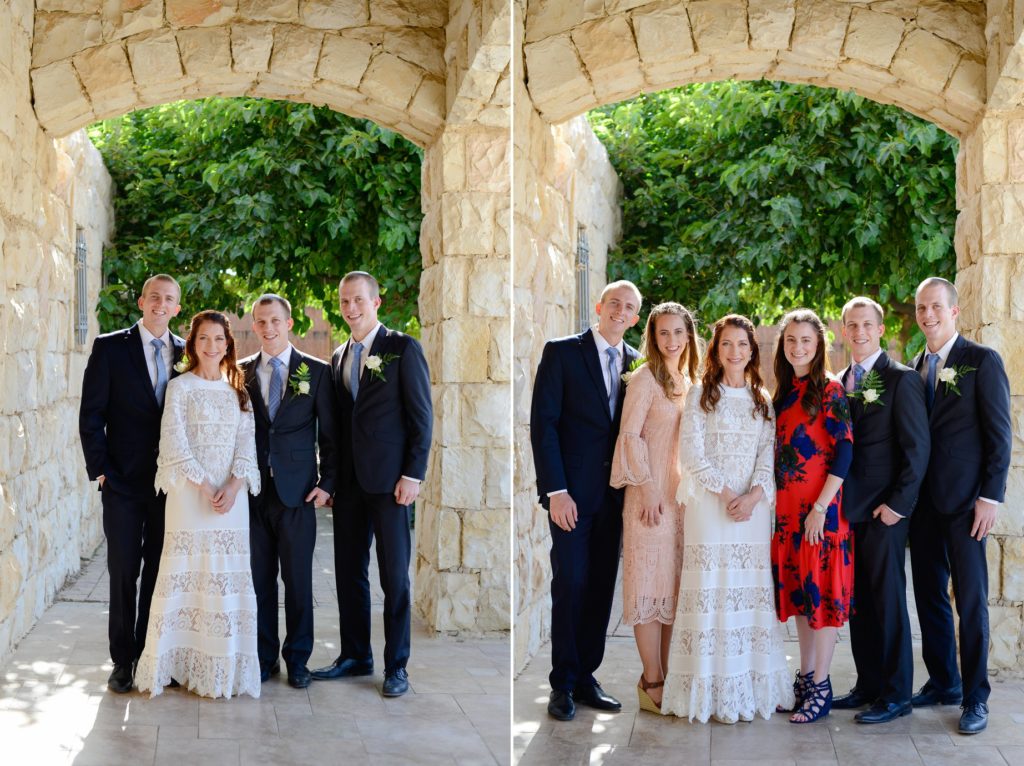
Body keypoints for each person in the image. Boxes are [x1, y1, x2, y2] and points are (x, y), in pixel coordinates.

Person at [661, 314, 792, 723]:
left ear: (752, 351)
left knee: (747, 589)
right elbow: (692, 456)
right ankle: (705, 690)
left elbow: (766, 458)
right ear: (716, 351)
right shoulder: (701, 394)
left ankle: (748, 686)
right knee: (711, 586)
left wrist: (753, 497)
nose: (734, 352)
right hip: (710, 506)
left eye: (742, 344)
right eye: (726, 345)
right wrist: (728, 494)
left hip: (751, 512)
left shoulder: (761, 399)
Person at [312, 272, 432, 698]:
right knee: (349, 573)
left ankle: (396, 666)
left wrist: (412, 475)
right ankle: (355, 655)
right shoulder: (339, 355)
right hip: (348, 486)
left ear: (376, 302)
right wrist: (329, 481)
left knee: (394, 578)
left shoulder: (402, 348)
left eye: (358, 300)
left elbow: (421, 417)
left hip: (390, 483)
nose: (351, 308)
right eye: (345, 301)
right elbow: (338, 426)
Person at [530, 280, 642, 722]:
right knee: (571, 583)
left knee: (599, 588)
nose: (619, 311)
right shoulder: (562, 352)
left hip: (616, 500)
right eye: (614, 303)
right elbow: (544, 425)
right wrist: (556, 491)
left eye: (629, 308)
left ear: (635, 318)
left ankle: (586, 677)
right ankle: (561, 682)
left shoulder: (638, 364)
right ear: (599, 306)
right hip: (571, 497)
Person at [135, 310, 261, 698]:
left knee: (224, 577)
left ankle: (222, 668)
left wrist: (234, 485)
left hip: (232, 500)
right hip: (190, 496)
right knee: (185, 573)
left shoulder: (238, 389)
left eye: (219, 339)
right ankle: (173, 664)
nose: (211, 346)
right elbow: (174, 443)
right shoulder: (180, 387)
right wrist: (207, 488)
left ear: (228, 344)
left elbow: (247, 444)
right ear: (193, 344)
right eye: (203, 338)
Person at [909, 277, 1011, 735]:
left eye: (935, 307)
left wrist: (990, 497)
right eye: (921, 308)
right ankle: (943, 682)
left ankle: (975, 698)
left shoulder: (981, 360)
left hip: (968, 504)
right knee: (928, 596)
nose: (927, 314)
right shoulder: (914, 366)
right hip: (924, 506)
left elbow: (999, 435)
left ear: (954, 311)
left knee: (969, 602)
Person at [78, 274, 185, 693]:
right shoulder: (110, 347)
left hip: (169, 487)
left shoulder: (186, 352)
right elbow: (91, 414)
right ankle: (122, 661)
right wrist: (100, 469)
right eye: (154, 296)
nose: (161, 304)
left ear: (177, 308)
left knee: (161, 572)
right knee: (123, 571)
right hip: (121, 482)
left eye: (169, 299)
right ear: (142, 301)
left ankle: (150, 655)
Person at [831, 297, 929, 724]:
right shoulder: (838, 381)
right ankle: (867, 684)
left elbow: (916, 450)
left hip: (885, 512)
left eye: (866, 324)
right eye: (852, 325)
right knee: (858, 604)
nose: (859, 332)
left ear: (880, 328)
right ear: (843, 330)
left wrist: (898, 505)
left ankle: (896, 694)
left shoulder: (901, 380)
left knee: (888, 601)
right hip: (848, 512)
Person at [241, 295, 337, 689]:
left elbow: (331, 435)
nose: (268, 328)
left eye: (275, 321)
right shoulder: (240, 372)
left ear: (289, 321)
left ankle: (298, 660)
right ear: (254, 325)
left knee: (298, 582)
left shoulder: (316, 372)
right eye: (261, 322)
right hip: (253, 492)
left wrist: (327, 483)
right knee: (260, 581)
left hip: (298, 493)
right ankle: (265, 659)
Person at [610, 302, 699, 713]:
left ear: (689, 335)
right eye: (663, 332)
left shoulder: (689, 378)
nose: (671, 340)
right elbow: (630, 435)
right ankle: (651, 678)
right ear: (652, 336)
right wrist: (645, 490)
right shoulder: (645, 378)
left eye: (678, 332)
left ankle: (665, 673)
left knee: (671, 588)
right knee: (648, 588)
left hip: (679, 500)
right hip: (649, 499)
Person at [771, 308, 854, 723]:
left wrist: (820, 508)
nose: (797, 347)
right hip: (788, 517)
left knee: (821, 600)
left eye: (805, 340)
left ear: (819, 344)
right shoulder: (784, 392)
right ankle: (806, 678)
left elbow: (845, 451)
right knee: (803, 602)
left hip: (820, 515)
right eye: (790, 340)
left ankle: (821, 684)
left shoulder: (830, 389)